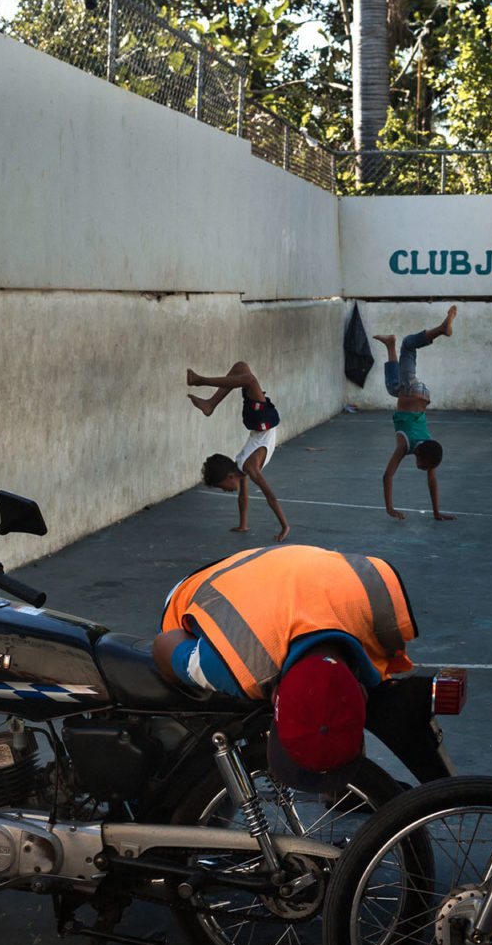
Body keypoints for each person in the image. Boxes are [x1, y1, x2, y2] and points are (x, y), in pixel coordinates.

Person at [152, 544, 452, 787]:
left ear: (275, 696)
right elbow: (165, 643)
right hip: (204, 583)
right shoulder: (235, 666)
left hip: (283, 562)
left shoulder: (381, 601)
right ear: (361, 694)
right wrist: (185, 666)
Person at [188, 362, 289, 542]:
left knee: (246, 376)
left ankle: (201, 382)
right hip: (258, 421)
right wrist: (243, 524)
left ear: (230, 476)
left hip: (261, 421)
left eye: (222, 486)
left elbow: (269, 495)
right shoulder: (242, 466)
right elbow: (244, 496)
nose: (225, 490)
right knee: (242, 370)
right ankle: (211, 404)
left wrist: (284, 526)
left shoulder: (249, 467)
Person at [376, 306, 459, 521]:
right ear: (420, 456)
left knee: (392, 387)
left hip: (420, 396)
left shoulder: (429, 446)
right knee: (409, 346)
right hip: (411, 392)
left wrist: (436, 512)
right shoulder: (405, 446)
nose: (423, 470)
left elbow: (432, 481)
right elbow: (387, 476)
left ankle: (389, 344)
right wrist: (389, 508)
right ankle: (441, 329)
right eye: (423, 466)